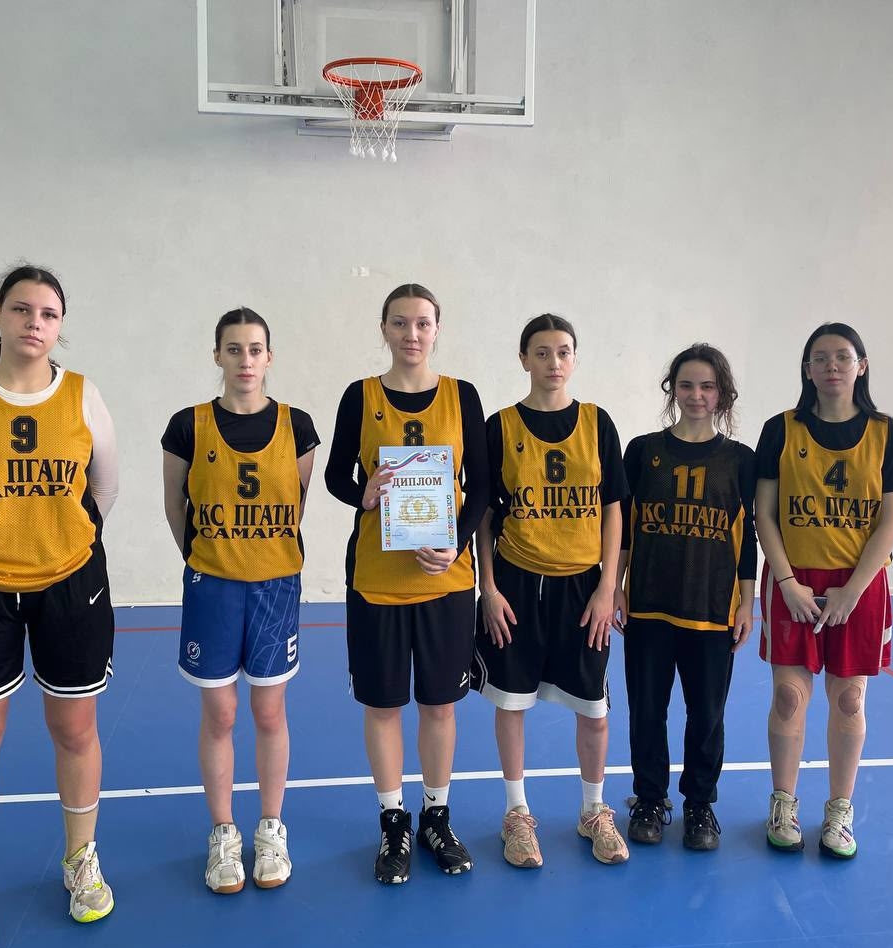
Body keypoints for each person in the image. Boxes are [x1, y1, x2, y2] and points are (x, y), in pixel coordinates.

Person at [0, 265, 119, 948]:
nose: (34, 323)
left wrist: (57, 546)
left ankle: (80, 860)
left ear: (60, 326)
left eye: (48, 313)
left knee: (75, 728)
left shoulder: (84, 396)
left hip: (70, 585)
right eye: (21, 309)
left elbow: (104, 489)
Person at [324, 283, 489, 884]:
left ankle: (436, 816)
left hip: (446, 581)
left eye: (422, 323)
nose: (411, 334)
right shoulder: (360, 396)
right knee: (384, 704)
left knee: (440, 705)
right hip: (377, 580)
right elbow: (336, 476)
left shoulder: (462, 396)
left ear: (436, 329)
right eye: (400, 323)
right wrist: (363, 493)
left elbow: (483, 486)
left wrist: (457, 543)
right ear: (384, 329)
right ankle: (393, 819)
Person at [160, 307, 319, 894]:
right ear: (218, 356)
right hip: (214, 583)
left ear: (269, 357)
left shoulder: (298, 426)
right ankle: (223, 831)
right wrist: (207, 556)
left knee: (269, 711)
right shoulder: (188, 425)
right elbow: (175, 505)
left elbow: (298, 502)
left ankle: (271, 827)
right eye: (234, 349)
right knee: (221, 713)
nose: (245, 360)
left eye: (255, 349)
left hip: (275, 584)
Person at [472, 314, 629, 869]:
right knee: (511, 701)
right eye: (541, 352)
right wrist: (488, 588)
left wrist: (608, 586)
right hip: (518, 583)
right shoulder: (499, 426)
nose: (553, 362)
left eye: (563, 351)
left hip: (583, 587)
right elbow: (484, 516)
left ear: (575, 358)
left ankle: (593, 810)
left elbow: (614, 509)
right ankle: (516, 813)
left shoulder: (597, 423)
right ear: (524, 359)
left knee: (594, 709)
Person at [754, 323, 893, 859]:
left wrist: (851, 591)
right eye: (820, 358)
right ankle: (783, 803)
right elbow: (764, 514)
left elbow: (890, 523)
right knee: (788, 696)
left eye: (842, 357)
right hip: (793, 579)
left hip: (858, 583)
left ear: (861, 366)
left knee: (849, 699)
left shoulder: (887, 434)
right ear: (807, 369)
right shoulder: (781, 429)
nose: (831, 366)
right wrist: (786, 582)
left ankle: (839, 811)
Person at [613, 344, 756, 852]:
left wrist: (747, 602)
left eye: (707, 386)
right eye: (687, 385)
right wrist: (616, 587)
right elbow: (624, 529)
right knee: (646, 711)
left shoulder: (740, 460)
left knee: (707, 714)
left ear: (722, 395)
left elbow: (748, 538)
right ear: (672, 390)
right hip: (649, 606)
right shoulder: (642, 451)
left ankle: (699, 803)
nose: (696, 395)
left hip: (711, 610)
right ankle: (650, 798)